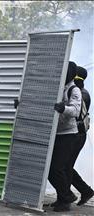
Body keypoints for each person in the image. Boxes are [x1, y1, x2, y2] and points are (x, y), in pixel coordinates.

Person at [49, 61, 81, 212]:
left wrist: (63, 108)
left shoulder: (74, 90)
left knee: (58, 168)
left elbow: (75, 111)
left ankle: (66, 198)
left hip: (68, 135)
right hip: (56, 133)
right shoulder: (58, 86)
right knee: (50, 169)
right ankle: (62, 198)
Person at [69, 66, 93, 206]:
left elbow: (75, 113)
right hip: (76, 135)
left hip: (77, 135)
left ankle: (83, 191)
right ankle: (67, 194)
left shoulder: (81, 93)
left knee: (64, 166)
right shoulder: (81, 92)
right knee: (65, 166)